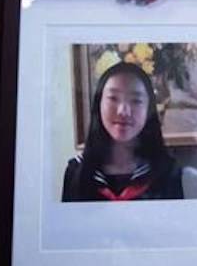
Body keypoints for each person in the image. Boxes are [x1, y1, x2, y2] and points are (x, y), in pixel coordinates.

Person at [62, 62, 183, 201]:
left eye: (136, 100)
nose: (123, 111)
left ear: (149, 109)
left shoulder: (167, 170)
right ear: (98, 104)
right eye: (113, 98)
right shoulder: (76, 171)